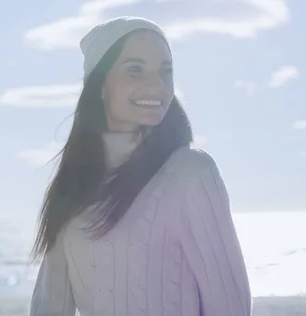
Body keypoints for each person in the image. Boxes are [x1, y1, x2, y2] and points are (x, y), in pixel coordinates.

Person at [28, 16, 252, 316]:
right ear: (100, 85)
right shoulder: (73, 187)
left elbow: (230, 306)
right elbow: (49, 306)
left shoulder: (190, 173)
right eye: (135, 70)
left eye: (165, 71)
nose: (156, 85)